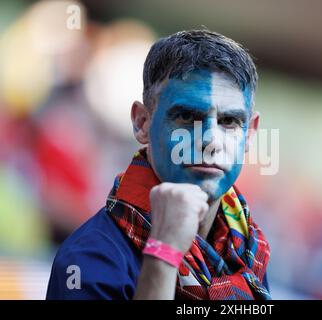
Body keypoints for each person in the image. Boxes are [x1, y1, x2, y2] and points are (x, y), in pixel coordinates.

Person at [46, 29, 271, 300]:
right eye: (187, 117)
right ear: (142, 122)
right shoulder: (87, 261)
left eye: (229, 121)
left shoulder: (246, 250)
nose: (211, 141)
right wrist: (163, 252)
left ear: (250, 134)